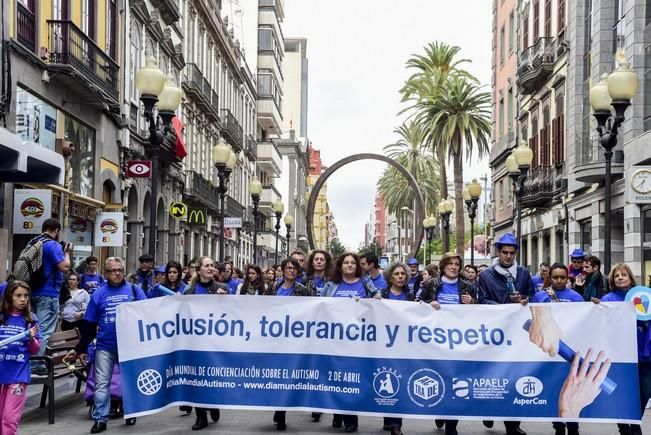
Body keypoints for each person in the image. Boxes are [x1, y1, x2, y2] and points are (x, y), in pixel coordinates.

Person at [64, 257, 147, 433]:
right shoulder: (99, 294)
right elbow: (89, 325)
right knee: (102, 384)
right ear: (106, 273)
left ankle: (130, 410)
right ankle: (100, 419)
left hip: (130, 347)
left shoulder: (135, 291)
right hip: (105, 346)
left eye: (120, 269)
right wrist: (80, 348)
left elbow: (148, 315)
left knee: (130, 380)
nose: (117, 273)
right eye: (113, 270)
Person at [478, 233, 533, 435]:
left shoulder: (524, 273)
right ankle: (489, 412)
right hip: (494, 332)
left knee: (514, 376)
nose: (508, 256)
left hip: (517, 333)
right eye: (505, 253)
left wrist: (524, 300)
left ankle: (513, 424)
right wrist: (504, 307)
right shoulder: (486, 276)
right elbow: (482, 301)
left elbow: (532, 295)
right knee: (494, 375)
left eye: (511, 253)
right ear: (498, 252)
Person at [321, 252, 378, 433]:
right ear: (340, 266)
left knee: (351, 379)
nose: (350, 265)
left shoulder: (365, 283)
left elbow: (377, 297)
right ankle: (338, 412)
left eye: (353, 263)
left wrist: (371, 301)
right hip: (335, 340)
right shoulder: (331, 285)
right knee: (337, 378)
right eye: (346, 262)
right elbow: (320, 305)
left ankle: (351, 419)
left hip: (358, 342)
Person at [598, 263, 648, 435]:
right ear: (612, 279)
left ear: (630, 278)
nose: (620, 277)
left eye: (624, 274)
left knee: (644, 392)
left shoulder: (644, 296)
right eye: (616, 275)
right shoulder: (607, 300)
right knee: (620, 393)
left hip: (643, 355)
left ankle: (634, 421)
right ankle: (625, 427)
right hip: (618, 356)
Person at [267, 258, 311, 431]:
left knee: (287, 377)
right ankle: (279, 409)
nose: (292, 271)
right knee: (277, 377)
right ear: (283, 270)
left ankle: (282, 412)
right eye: (288, 268)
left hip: (294, 340)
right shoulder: (273, 288)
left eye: (294, 268)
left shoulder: (303, 290)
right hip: (276, 339)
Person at [182, 256, 225, 430]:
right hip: (195, 342)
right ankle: (200, 417)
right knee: (196, 378)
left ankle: (213, 402)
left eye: (212, 265)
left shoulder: (221, 289)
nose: (210, 268)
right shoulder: (189, 291)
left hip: (213, 342)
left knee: (211, 376)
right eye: (206, 265)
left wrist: (225, 299)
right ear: (198, 269)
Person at [30, 218, 72, 375]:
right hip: (48, 293)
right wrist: (67, 253)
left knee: (34, 328)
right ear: (57, 230)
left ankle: (32, 361)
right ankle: (36, 365)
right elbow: (64, 267)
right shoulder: (52, 244)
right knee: (45, 330)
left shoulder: (34, 242)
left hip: (33, 292)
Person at [0, 281, 40, 435]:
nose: (23, 299)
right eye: (18, 295)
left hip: (18, 376)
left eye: (26, 295)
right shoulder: (2, 317)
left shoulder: (31, 320)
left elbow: (35, 350)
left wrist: (31, 339)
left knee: (9, 418)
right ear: (9, 297)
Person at [380, 262, 414, 435]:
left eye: (403, 274)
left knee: (398, 383)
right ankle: (387, 417)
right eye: (397, 274)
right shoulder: (383, 294)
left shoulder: (411, 295)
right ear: (390, 277)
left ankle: (396, 424)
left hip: (403, 345)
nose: (400, 277)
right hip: (384, 344)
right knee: (385, 379)